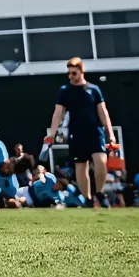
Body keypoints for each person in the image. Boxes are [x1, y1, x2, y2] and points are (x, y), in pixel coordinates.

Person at [44, 57, 118, 209]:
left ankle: (100, 193)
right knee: (80, 165)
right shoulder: (65, 91)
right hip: (76, 133)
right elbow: (58, 113)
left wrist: (110, 134)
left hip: (95, 131)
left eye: (74, 73)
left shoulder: (94, 89)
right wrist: (51, 134)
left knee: (101, 160)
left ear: (81, 71)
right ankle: (88, 199)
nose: (71, 76)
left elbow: (103, 112)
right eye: (69, 73)